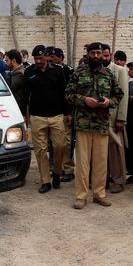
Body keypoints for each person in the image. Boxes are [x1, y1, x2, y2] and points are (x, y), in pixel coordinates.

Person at [65, 42, 123, 209]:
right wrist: (84, 100)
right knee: (82, 163)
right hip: (83, 124)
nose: (96, 56)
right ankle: (81, 196)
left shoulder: (108, 74)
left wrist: (108, 102)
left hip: (101, 125)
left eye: (99, 53)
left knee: (100, 162)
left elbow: (118, 95)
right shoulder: (79, 72)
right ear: (88, 54)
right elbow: (68, 94)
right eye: (93, 53)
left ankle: (99, 193)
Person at [23, 45, 67, 192]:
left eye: (41, 58)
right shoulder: (29, 72)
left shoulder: (57, 71)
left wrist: (68, 113)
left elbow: (64, 93)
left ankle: (56, 172)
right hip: (37, 116)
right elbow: (24, 95)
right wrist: (24, 114)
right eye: (36, 58)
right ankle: (45, 181)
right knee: (40, 150)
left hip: (56, 116)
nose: (38, 61)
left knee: (60, 146)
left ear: (47, 57)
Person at [103, 45, 129, 193]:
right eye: (102, 55)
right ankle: (104, 179)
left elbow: (123, 96)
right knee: (101, 152)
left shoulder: (120, 71)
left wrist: (121, 118)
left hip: (115, 119)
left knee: (116, 152)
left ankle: (119, 180)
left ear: (111, 55)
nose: (104, 58)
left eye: (107, 55)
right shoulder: (96, 71)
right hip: (100, 119)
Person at [48, 48, 76, 182]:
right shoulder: (48, 71)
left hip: (65, 112)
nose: (51, 59)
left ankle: (68, 169)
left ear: (60, 57)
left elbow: (70, 93)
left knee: (66, 142)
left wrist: (69, 112)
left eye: (53, 56)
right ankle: (55, 168)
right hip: (52, 112)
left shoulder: (68, 71)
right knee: (53, 143)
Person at [4, 49, 27, 117]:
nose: (5, 63)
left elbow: (9, 89)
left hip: (18, 110)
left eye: (7, 61)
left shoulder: (19, 74)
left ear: (13, 61)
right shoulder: (16, 72)